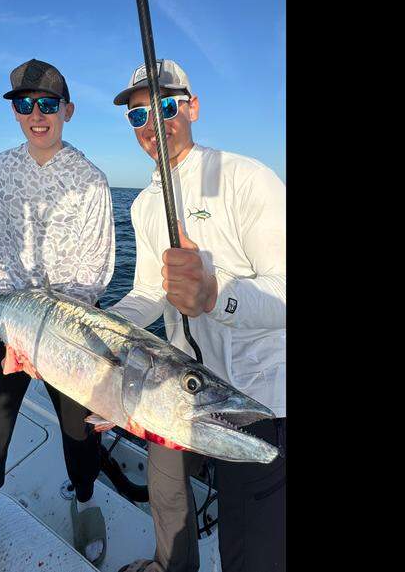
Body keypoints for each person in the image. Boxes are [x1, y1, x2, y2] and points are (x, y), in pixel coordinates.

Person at [107, 60, 286, 572]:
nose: (153, 124)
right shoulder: (144, 204)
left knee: (249, 546)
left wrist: (215, 296)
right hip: (173, 384)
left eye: (165, 106)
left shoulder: (248, 178)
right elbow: (146, 294)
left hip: (254, 401)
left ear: (193, 106)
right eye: (138, 115)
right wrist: (95, 327)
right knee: (166, 495)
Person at [0, 59, 116, 571]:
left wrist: (46, 343)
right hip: (6, 323)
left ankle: (84, 500)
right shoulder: (0, 166)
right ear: (16, 113)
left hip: (70, 333)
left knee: (79, 429)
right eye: (24, 104)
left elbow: (94, 274)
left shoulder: (91, 180)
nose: (36, 114)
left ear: (67, 110)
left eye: (46, 104)